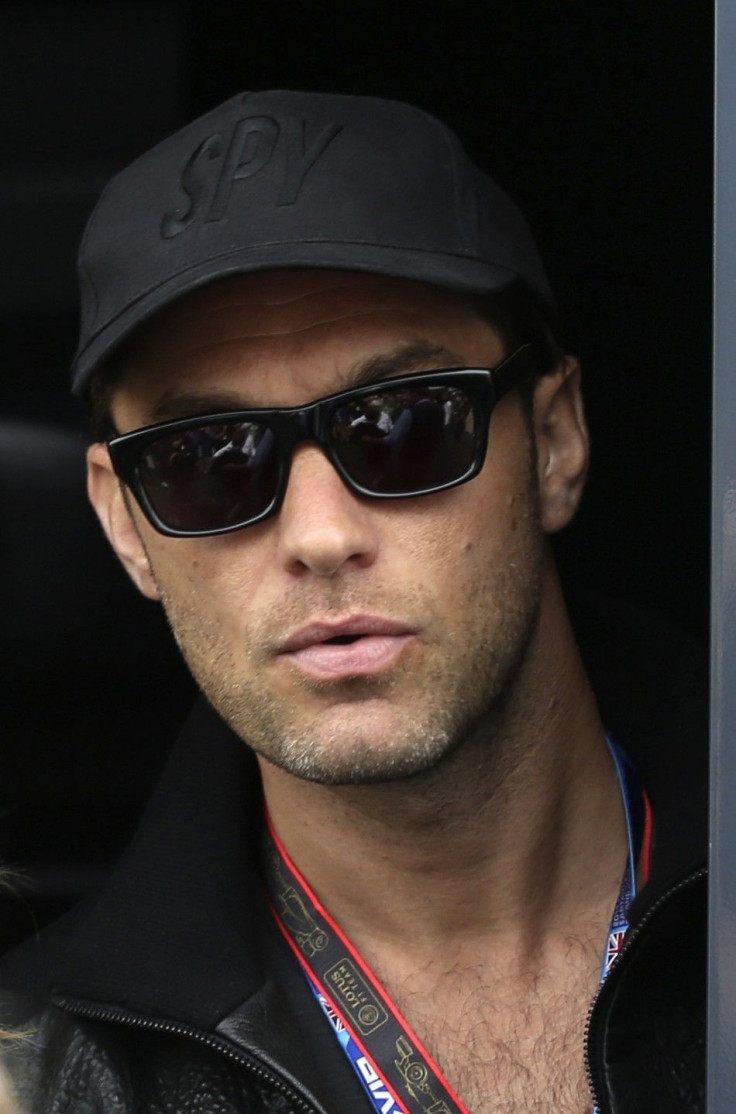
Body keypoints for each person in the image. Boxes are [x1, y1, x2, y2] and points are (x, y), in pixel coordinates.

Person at [0, 90, 706, 1114]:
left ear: (553, 441)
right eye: (207, 461)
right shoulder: (50, 1079)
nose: (321, 534)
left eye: (404, 423)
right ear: (123, 524)